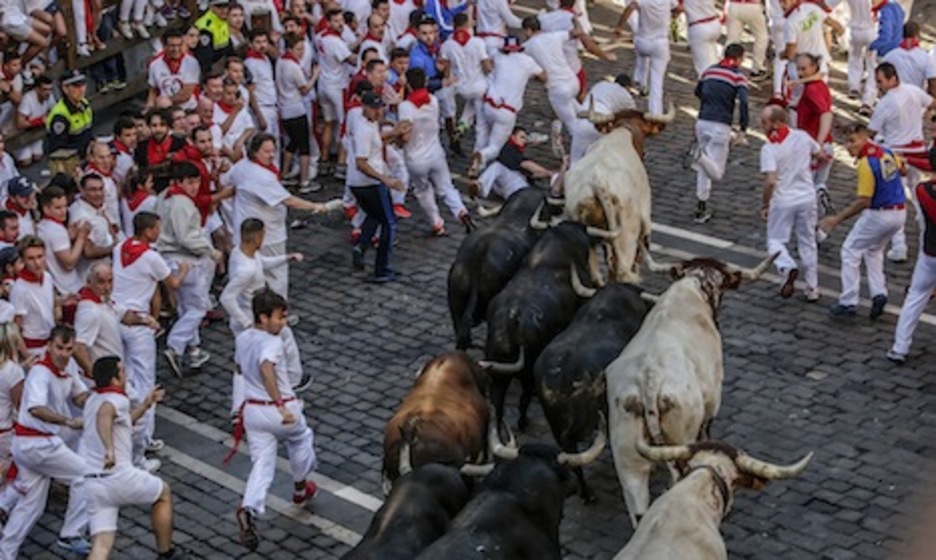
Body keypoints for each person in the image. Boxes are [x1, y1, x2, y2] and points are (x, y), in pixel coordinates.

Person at [233, 289, 318, 551]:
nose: (283, 323)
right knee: (302, 438)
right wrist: (280, 404)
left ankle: (249, 506)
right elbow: (266, 367)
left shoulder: (244, 337)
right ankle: (301, 485)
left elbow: (238, 367)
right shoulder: (272, 342)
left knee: (262, 464)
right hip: (279, 410)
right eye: (279, 317)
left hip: (254, 413)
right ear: (263, 318)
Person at [0, 324, 91, 558]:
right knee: (86, 476)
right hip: (38, 445)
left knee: (32, 506)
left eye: (69, 349)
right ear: (49, 346)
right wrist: (67, 421)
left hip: (31, 446)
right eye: (59, 348)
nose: (64, 354)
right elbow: (36, 409)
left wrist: (98, 397)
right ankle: (71, 534)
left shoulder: (67, 368)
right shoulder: (41, 373)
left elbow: (79, 395)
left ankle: (5, 552)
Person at [81, 356, 183, 559]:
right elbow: (105, 414)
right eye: (122, 371)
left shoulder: (92, 400)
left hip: (93, 483)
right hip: (118, 477)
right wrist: (109, 449)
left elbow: (123, 423)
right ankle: (166, 552)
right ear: (114, 379)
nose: (126, 375)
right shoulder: (115, 399)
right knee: (163, 493)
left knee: (101, 544)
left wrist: (146, 404)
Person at [112, 212, 187, 462]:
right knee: (145, 382)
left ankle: (125, 432)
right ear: (148, 231)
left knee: (124, 378)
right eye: (157, 228)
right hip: (139, 323)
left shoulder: (119, 247)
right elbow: (173, 284)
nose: (159, 232)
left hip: (116, 318)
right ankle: (142, 442)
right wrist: (184, 269)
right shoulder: (151, 257)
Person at [220, 219, 309, 421]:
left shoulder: (241, 252)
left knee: (242, 364)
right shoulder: (246, 271)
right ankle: (293, 383)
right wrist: (246, 322)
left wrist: (286, 258)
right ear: (257, 238)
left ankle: (238, 409)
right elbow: (226, 297)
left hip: (252, 320)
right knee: (283, 344)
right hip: (254, 321)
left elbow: (263, 262)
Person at [227, 133, 331, 297]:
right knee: (276, 275)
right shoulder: (261, 176)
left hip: (245, 231)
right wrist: (316, 206)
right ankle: (278, 311)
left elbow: (230, 182)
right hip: (268, 234)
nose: (272, 155)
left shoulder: (241, 166)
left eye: (273, 151)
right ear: (254, 152)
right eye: (266, 152)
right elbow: (288, 200)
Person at [819, 123, 906, 318]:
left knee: (850, 251)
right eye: (846, 142)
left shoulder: (866, 164)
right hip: (899, 213)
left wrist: (836, 219)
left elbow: (864, 201)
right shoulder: (886, 151)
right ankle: (879, 292)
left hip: (879, 213)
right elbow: (903, 170)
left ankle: (848, 301)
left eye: (852, 141)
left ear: (864, 138)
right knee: (874, 251)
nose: (849, 146)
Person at [155, 162, 219, 377]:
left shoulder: (164, 197)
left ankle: (194, 350)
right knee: (198, 307)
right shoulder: (182, 204)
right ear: (179, 182)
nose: (194, 187)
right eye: (190, 182)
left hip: (168, 257)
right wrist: (210, 250)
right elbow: (186, 237)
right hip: (184, 259)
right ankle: (176, 345)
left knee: (185, 306)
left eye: (196, 182)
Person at [868, 62, 936, 262]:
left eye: (880, 81)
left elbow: (872, 131)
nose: (879, 85)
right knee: (917, 196)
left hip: (896, 154)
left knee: (895, 200)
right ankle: (925, 233)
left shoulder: (886, 103)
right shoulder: (913, 91)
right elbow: (932, 103)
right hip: (917, 149)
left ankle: (899, 246)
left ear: (892, 79)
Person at [759, 104, 824, 301]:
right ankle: (812, 288)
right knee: (808, 242)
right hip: (806, 197)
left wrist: (764, 204)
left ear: (777, 123)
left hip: (782, 200)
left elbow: (771, 181)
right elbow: (820, 154)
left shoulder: (769, 149)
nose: (762, 125)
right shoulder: (802, 136)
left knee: (775, 240)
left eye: (765, 122)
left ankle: (786, 267)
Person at [398, 68, 472, 236]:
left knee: (423, 191)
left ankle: (436, 222)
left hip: (415, 158)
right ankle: (460, 210)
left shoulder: (406, 107)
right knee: (446, 188)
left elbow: (405, 135)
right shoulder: (432, 100)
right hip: (435, 153)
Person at [468, 35, 545, 178]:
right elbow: (543, 77)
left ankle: (475, 166)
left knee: (482, 133)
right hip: (507, 112)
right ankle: (483, 155)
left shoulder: (498, 57)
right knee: (495, 147)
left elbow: (488, 64)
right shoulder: (527, 61)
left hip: (489, 104)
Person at [348, 91, 406, 282]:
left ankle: (361, 245)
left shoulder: (366, 123)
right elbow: (361, 162)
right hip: (370, 183)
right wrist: (385, 179)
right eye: (374, 108)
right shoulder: (364, 129)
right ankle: (381, 268)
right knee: (389, 222)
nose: (377, 111)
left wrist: (392, 134)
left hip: (358, 184)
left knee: (374, 216)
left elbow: (376, 143)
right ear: (364, 107)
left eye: (379, 107)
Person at [690, 43, 749, 224]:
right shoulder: (738, 76)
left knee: (704, 169)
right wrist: (743, 127)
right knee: (717, 173)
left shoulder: (709, 71)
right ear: (739, 58)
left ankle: (701, 205)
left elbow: (698, 92)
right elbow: (744, 103)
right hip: (720, 124)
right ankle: (698, 156)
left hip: (702, 121)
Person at [615, 0, 679, 116]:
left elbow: (630, 7)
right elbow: (677, 8)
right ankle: (655, 112)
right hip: (660, 44)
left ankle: (640, 80)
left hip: (642, 41)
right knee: (657, 81)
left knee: (641, 56)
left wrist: (619, 27)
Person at [470, 127, 566, 200]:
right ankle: (480, 187)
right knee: (497, 166)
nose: (524, 140)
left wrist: (547, 173)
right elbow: (527, 165)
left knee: (497, 166)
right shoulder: (510, 150)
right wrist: (549, 173)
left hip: (516, 187)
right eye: (521, 137)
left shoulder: (514, 151)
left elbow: (533, 173)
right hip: (510, 185)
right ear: (513, 137)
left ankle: (480, 186)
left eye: (525, 138)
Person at [277, 32, 321, 194]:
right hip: (295, 108)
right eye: (298, 49)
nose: (301, 52)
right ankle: (304, 181)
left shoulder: (281, 62)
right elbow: (305, 89)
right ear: (290, 48)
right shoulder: (293, 67)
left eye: (302, 49)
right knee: (304, 146)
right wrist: (315, 76)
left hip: (284, 108)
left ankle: (285, 174)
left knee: (292, 143)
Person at [793, 53, 835, 216]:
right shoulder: (819, 85)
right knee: (819, 183)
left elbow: (826, 114)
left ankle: (810, 219)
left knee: (805, 185)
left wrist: (817, 145)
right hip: (826, 145)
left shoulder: (811, 89)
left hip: (815, 146)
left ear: (813, 68)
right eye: (798, 69)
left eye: (803, 69)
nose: (800, 72)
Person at [317, 8, 357, 177]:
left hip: (323, 84)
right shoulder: (335, 41)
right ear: (328, 22)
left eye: (342, 21)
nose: (340, 24)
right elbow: (351, 59)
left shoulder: (320, 37)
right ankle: (341, 164)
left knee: (328, 122)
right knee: (344, 125)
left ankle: (324, 161)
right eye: (336, 21)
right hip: (337, 86)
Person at [568, 75, 636, 163]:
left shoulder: (601, 84)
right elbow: (633, 116)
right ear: (627, 87)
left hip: (583, 120)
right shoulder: (625, 94)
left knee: (575, 161)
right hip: (601, 123)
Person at [36, 185, 89, 298]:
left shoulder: (41, 226)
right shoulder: (56, 230)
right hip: (69, 289)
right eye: (58, 208)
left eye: (65, 206)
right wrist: (81, 237)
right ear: (46, 209)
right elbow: (69, 263)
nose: (63, 211)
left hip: (59, 288)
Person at [9, 236, 56, 358]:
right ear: (23, 260)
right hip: (33, 349)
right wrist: (27, 357)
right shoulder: (20, 288)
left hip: (50, 343)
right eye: (31, 258)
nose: (37, 263)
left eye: (40, 257)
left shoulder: (47, 278)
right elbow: (15, 329)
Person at [69, 173, 119, 280]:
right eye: (93, 190)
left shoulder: (95, 206)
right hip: (92, 277)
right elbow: (88, 251)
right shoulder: (82, 216)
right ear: (82, 191)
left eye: (101, 189)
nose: (98, 194)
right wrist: (113, 248)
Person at [147, 29, 201, 112]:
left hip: (188, 109)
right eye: (172, 46)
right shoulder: (155, 64)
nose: (176, 49)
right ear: (164, 46)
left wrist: (167, 101)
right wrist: (149, 107)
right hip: (164, 110)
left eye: (179, 45)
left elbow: (186, 94)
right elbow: (153, 91)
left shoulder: (192, 62)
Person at [881, 21, 936, 97]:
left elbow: (880, 80)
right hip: (915, 100)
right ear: (918, 35)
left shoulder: (889, 56)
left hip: (893, 99)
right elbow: (932, 84)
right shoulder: (926, 58)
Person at [46, 70, 93, 157]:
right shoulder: (60, 116)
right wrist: (85, 150)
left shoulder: (84, 103)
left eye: (83, 85)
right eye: (76, 86)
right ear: (65, 89)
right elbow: (58, 149)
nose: (81, 90)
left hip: (87, 154)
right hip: (72, 160)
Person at [244, 29, 279, 141]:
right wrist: (259, 116)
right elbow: (250, 91)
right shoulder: (250, 63)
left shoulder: (265, 58)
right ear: (251, 44)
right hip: (262, 108)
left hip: (271, 106)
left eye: (264, 41)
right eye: (258, 42)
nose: (262, 45)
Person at [14, 75, 54, 167]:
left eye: (50, 89)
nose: (48, 92)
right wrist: (39, 121)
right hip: (20, 133)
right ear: (37, 89)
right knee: (26, 161)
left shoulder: (49, 96)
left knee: (38, 156)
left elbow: (53, 110)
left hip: (34, 131)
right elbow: (19, 124)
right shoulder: (28, 99)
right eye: (45, 89)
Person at [686, 0, 726, 77]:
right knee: (713, 58)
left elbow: (676, 7)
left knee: (702, 65)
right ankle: (717, 78)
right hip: (713, 22)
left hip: (698, 26)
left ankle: (708, 84)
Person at [194, 0, 233, 74]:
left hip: (220, 61)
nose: (224, 10)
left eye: (226, 6)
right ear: (211, 7)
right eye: (219, 7)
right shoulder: (205, 26)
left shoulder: (222, 21)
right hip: (209, 68)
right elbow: (205, 57)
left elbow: (229, 47)